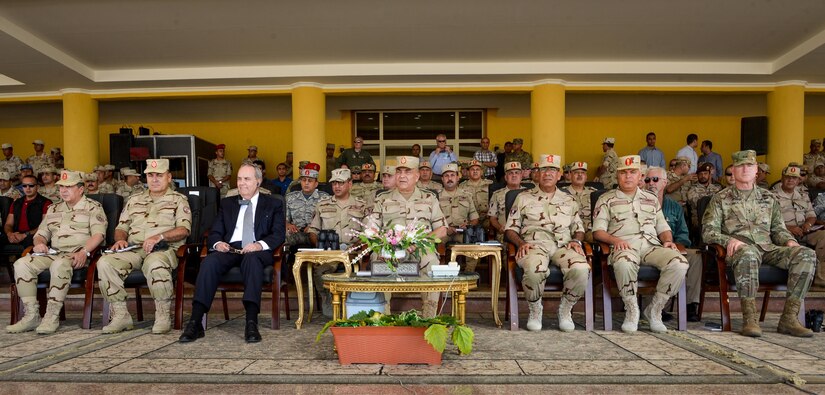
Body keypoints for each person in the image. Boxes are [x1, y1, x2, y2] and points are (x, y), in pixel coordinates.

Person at [703, 150, 815, 338]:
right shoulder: (720, 199)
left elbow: (778, 230)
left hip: (768, 249)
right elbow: (708, 232)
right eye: (740, 166)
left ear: (756, 170)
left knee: (806, 254)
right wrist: (729, 240)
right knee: (748, 253)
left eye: (749, 165)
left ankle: (789, 318)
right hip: (740, 251)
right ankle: (750, 319)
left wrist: (790, 242)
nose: (745, 169)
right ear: (734, 171)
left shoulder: (769, 198)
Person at [179, 164, 285, 343]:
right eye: (239, 179)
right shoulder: (228, 203)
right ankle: (195, 322)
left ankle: (251, 322)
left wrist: (259, 245)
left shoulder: (273, 203)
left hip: (257, 250)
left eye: (247, 179)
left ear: (258, 181)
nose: (242, 183)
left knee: (251, 260)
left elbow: (278, 233)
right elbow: (215, 232)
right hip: (230, 248)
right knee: (209, 262)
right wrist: (218, 243)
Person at [593, 155, 688, 333]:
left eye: (632, 172)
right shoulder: (606, 199)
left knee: (679, 263)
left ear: (640, 176)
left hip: (651, 247)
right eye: (623, 172)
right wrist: (615, 241)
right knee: (624, 263)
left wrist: (668, 241)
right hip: (624, 247)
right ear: (617, 176)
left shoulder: (651, 199)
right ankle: (631, 309)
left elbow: (663, 226)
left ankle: (655, 309)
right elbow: (597, 231)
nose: (628, 176)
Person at [96, 159, 192, 334]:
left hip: (163, 249)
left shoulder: (179, 200)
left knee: (155, 264)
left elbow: (183, 230)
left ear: (169, 177)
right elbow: (121, 228)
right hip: (133, 249)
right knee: (105, 262)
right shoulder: (134, 200)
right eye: (150, 175)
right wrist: (120, 240)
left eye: (159, 175)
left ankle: (163, 315)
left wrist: (160, 236)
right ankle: (121, 315)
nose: (154, 179)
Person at [6, 170, 106, 334]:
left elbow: (99, 235)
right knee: (22, 264)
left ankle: (51, 316)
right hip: (53, 253)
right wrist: (39, 244)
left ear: (81, 189)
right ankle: (32, 316)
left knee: (60, 264)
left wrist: (84, 252)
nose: (63, 191)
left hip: (77, 256)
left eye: (69, 187)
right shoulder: (54, 208)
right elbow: (41, 234)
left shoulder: (93, 208)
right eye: (61, 187)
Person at [505, 154, 590, 332]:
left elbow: (579, 228)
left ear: (559, 175)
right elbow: (510, 229)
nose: (548, 173)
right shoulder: (523, 197)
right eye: (543, 169)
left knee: (582, 268)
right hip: (534, 245)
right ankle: (535, 309)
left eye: (552, 170)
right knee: (534, 269)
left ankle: (565, 310)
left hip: (563, 246)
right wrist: (520, 243)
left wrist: (577, 241)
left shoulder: (569, 200)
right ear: (537, 174)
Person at [371, 156, 447, 317]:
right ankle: (382, 317)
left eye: (407, 171)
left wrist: (421, 241)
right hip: (390, 248)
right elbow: (371, 228)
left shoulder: (429, 198)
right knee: (377, 260)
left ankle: (429, 317)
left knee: (432, 262)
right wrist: (384, 244)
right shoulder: (382, 198)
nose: (402, 175)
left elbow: (442, 230)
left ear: (417, 176)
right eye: (399, 171)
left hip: (421, 248)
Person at [308, 168, 370, 316]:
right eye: (334, 183)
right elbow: (313, 231)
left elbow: (369, 232)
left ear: (350, 184)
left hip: (353, 252)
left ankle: (353, 302)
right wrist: (320, 246)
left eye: (341, 183)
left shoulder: (362, 205)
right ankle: (327, 298)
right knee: (320, 271)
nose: (337, 186)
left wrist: (359, 246)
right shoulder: (323, 204)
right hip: (330, 253)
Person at [645, 166, 703, 322]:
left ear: (665, 183)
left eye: (655, 180)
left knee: (695, 256)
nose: (651, 183)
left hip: (672, 247)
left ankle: (690, 304)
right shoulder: (639, 204)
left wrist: (676, 245)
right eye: (647, 180)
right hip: (648, 249)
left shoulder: (675, 206)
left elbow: (683, 234)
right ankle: (658, 306)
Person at [773, 164, 825, 289]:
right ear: (782, 178)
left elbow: (811, 215)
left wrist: (808, 224)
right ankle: (796, 284)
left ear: (798, 180)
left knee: (824, 237)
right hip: (784, 232)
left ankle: (820, 280)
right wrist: (789, 228)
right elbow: (768, 221)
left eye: (794, 178)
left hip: (805, 231)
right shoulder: (772, 196)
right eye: (788, 177)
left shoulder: (803, 195)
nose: (791, 180)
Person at [439, 163, 479, 271]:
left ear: (458, 177)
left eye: (452, 175)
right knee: (432, 244)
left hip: (463, 231)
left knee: (473, 245)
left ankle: (469, 275)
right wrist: (446, 229)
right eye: (446, 176)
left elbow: (475, 217)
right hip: (443, 231)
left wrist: (469, 225)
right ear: (442, 179)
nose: (450, 178)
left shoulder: (467, 195)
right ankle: (440, 276)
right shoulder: (436, 197)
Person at [285, 163, 329, 248]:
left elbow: (328, 219)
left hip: (316, 232)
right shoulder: (290, 197)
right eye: (304, 180)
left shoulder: (325, 198)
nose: (306, 183)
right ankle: (285, 260)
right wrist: (288, 225)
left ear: (316, 184)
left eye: (310, 180)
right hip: (295, 232)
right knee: (283, 235)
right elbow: (284, 218)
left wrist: (313, 227)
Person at [2, 174, 51, 249]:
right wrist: (10, 234)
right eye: (24, 186)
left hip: (34, 235)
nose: (27, 188)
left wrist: (24, 235)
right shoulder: (16, 203)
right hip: (16, 234)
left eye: (31, 185)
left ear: (37, 187)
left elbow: (44, 226)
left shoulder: (45, 203)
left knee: (30, 241)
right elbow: (8, 224)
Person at [561, 162, 598, 243]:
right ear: (570, 175)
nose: (580, 175)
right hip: (570, 230)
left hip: (590, 230)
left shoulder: (594, 193)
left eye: (583, 173)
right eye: (576, 173)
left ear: (586, 176)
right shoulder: (562, 193)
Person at [489, 162, 523, 242]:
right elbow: (492, 218)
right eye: (510, 173)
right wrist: (499, 227)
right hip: (504, 233)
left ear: (521, 176)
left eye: (517, 173)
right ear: (506, 177)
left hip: (525, 234)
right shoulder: (497, 195)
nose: (514, 175)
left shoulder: (529, 193)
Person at [686, 162, 723, 229]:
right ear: (697, 175)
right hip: (699, 218)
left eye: (705, 173)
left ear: (709, 175)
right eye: (700, 174)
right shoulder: (692, 189)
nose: (703, 176)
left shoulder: (717, 188)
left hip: (716, 216)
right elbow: (696, 203)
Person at [460, 160, 493, 231]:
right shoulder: (461, 187)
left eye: (477, 169)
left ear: (481, 172)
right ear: (468, 172)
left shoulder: (490, 184)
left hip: (487, 220)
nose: (475, 171)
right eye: (472, 169)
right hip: (469, 220)